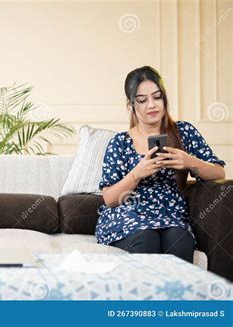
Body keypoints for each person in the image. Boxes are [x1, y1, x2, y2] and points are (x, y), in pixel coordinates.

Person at [96, 66, 225, 263]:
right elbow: (110, 199)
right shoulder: (120, 142)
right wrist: (137, 174)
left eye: (157, 97)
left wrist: (189, 162)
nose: (152, 105)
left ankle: (177, 294)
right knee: (146, 240)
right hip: (130, 214)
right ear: (130, 104)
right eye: (142, 100)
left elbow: (218, 173)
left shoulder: (184, 132)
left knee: (180, 243)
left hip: (171, 216)